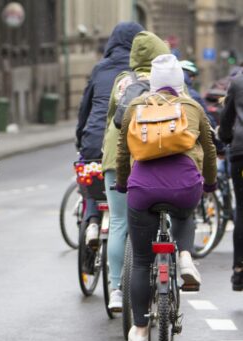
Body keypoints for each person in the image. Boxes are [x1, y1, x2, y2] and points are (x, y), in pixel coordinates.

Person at [116, 54, 217, 341]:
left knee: (143, 261)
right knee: (186, 213)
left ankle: (141, 330)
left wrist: (123, 184)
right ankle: (185, 256)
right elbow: (209, 151)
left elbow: (123, 152)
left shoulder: (136, 107)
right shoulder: (192, 107)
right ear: (180, 83)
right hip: (184, 186)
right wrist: (208, 183)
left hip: (143, 190)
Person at [74, 22, 143, 309]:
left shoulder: (100, 69)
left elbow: (85, 108)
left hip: (93, 144)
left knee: (91, 183)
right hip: (130, 147)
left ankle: (91, 221)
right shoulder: (139, 73)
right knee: (123, 214)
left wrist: (81, 138)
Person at [101, 30, 170, 310]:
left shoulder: (122, 81)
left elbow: (110, 120)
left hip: (116, 156)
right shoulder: (167, 81)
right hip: (154, 158)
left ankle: (116, 288)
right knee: (160, 216)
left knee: (118, 222)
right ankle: (164, 273)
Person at [218, 62, 243, 291]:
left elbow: (226, 119)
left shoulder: (237, 81)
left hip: (241, 155)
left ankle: (239, 270)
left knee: (242, 210)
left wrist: (224, 139)